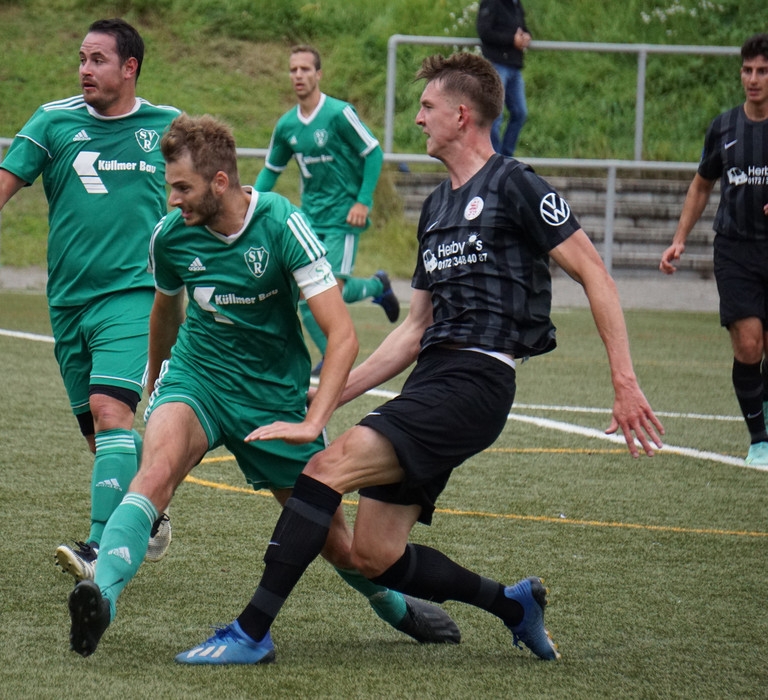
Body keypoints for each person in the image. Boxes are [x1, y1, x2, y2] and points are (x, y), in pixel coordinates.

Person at [177, 52, 665, 665]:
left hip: (479, 378)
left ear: (461, 115)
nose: (416, 119)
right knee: (373, 554)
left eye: (427, 107)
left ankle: (250, 632)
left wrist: (624, 381)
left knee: (324, 468)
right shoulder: (435, 208)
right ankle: (513, 605)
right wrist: (328, 393)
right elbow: (413, 331)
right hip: (432, 378)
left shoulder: (515, 184)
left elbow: (596, 275)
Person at [66, 113, 461, 658]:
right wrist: (157, 381)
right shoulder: (170, 237)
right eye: (169, 187)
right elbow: (165, 312)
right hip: (198, 379)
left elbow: (342, 336)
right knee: (155, 473)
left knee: (336, 543)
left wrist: (314, 421)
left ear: (219, 182)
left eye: (182, 188)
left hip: (271, 398)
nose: (173, 200)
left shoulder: (281, 223)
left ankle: (395, 607)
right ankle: (101, 598)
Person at [0, 18, 176, 573]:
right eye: (82, 59)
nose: (85, 69)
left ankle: (99, 547)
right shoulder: (53, 120)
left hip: (135, 292)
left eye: (98, 60)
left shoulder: (167, 127)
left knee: (111, 411)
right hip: (69, 301)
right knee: (98, 433)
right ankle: (148, 502)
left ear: (130, 67)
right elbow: (3, 179)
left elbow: (205, 189)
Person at [659, 34, 768, 467]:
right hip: (735, 250)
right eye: (748, 70)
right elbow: (702, 184)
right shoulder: (724, 127)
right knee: (749, 344)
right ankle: (759, 441)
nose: (753, 79)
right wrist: (679, 238)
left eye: (762, 71)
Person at [255, 45, 399, 372]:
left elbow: (373, 153)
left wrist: (363, 201)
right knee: (305, 294)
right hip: (309, 219)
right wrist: (246, 203)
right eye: (293, 70)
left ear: (318, 74)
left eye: (305, 69)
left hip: (343, 217)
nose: (298, 75)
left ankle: (377, 286)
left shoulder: (338, 114)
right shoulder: (287, 126)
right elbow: (271, 171)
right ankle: (329, 357)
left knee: (331, 289)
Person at [477, 0, 531, 157]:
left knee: (520, 113)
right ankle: (494, 159)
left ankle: (505, 158)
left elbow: (521, 27)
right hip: (496, 65)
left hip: (514, 66)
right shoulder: (492, 2)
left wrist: (526, 36)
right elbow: (484, 31)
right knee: (495, 116)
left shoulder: (515, 3)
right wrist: (511, 40)